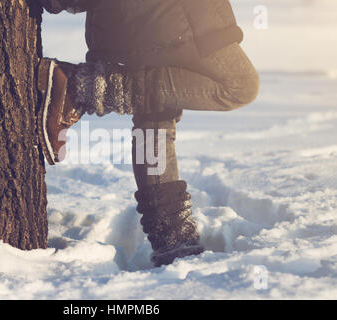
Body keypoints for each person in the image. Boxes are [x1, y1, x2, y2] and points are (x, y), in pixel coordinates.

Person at [37, 0, 259, 267]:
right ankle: (79, 88)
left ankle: (173, 241)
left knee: (157, 114)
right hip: (159, 18)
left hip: (174, 18)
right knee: (238, 85)